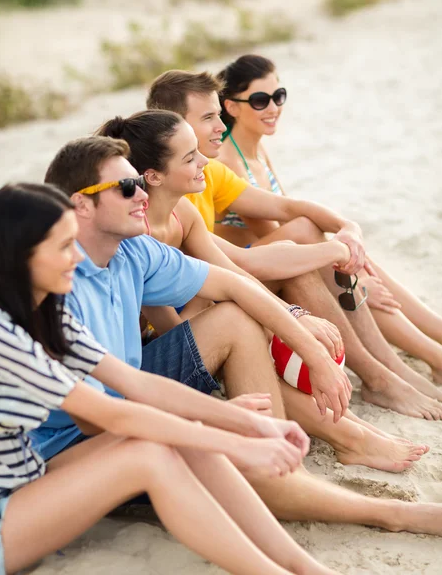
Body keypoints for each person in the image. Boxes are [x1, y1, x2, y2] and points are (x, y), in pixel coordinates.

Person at [37, 135, 442, 535]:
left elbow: (234, 284)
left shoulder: (132, 250)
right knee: (213, 445)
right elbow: (96, 418)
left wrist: (314, 354)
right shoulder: (53, 286)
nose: (141, 195)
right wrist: (220, 420)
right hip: (71, 444)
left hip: (127, 391)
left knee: (234, 316)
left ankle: (286, 467)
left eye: (140, 184)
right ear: (80, 204)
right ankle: (388, 512)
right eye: (127, 188)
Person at [0, 182, 343, 575]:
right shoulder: (0, 335)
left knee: (177, 433)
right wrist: (237, 445)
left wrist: (249, 422)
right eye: (62, 247)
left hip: (26, 481)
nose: (77, 256)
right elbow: (111, 415)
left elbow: (138, 385)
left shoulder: (46, 311)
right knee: (153, 452)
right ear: (20, 257)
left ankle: (303, 566)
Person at [96, 107, 428, 474]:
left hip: (193, 322)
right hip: (145, 355)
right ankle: (349, 435)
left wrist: (294, 319)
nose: (205, 160)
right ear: (153, 176)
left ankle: (355, 414)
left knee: (266, 301)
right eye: (191, 157)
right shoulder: (134, 234)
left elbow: (234, 273)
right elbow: (176, 334)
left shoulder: (183, 216)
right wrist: (274, 330)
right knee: (243, 329)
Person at [146, 68, 442, 418]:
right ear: (173, 125)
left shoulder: (205, 172)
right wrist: (335, 254)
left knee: (310, 247)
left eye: (278, 96)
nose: (220, 126)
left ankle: (391, 371)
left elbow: (286, 208)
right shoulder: (162, 194)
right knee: (305, 249)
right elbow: (240, 264)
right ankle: (387, 374)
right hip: (189, 316)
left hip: (219, 287)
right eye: (210, 116)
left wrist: (349, 229)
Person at [216, 53, 442, 388]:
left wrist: (350, 259)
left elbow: (288, 223)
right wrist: (352, 279)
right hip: (250, 272)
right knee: (346, 272)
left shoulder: (256, 148)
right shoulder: (227, 158)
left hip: (279, 255)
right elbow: (284, 237)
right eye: (261, 100)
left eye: (278, 97)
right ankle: (433, 356)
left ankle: (437, 342)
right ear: (232, 106)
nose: (274, 108)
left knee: (355, 263)